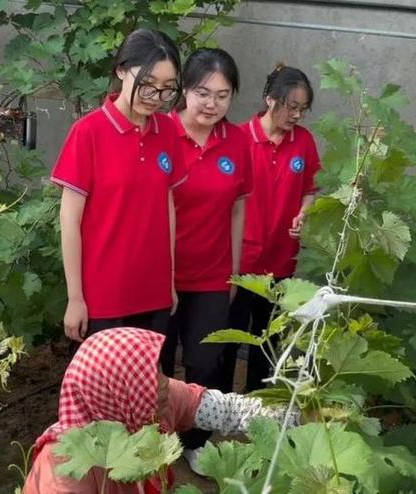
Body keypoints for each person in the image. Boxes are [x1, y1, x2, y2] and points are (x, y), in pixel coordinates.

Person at [23, 327, 296, 493]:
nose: (164, 382)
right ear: (116, 392)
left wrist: (293, 416)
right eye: (144, 377)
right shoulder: (62, 470)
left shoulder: (152, 402)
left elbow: (227, 410)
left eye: (157, 368)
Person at [52, 29, 185, 343]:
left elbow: (167, 207)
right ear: (122, 70)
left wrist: (169, 280)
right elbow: (69, 221)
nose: (156, 97)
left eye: (167, 89)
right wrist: (76, 298)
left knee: (149, 388)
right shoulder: (88, 133)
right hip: (103, 295)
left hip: (153, 292)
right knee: (101, 388)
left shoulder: (166, 131)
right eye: (148, 85)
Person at [158, 47, 253, 472]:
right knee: (156, 362)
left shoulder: (237, 142)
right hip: (158, 273)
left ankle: (195, 440)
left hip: (213, 276)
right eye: (202, 92)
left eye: (223, 95)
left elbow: (238, 208)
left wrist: (233, 271)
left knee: (205, 361)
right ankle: (153, 442)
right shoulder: (160, 132)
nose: (211, 104)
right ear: (183, 91)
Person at [225, 65, 322, 393]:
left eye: (302, 109)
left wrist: (304, 214)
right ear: (269, 99)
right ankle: (223, 402)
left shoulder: (304, 143)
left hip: (282, 258)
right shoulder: (239, 138)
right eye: (291, 107)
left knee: (268, 339)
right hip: (241, 260)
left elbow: (311, 188)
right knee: (232, 334)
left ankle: (257, 405)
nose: (296, 115)